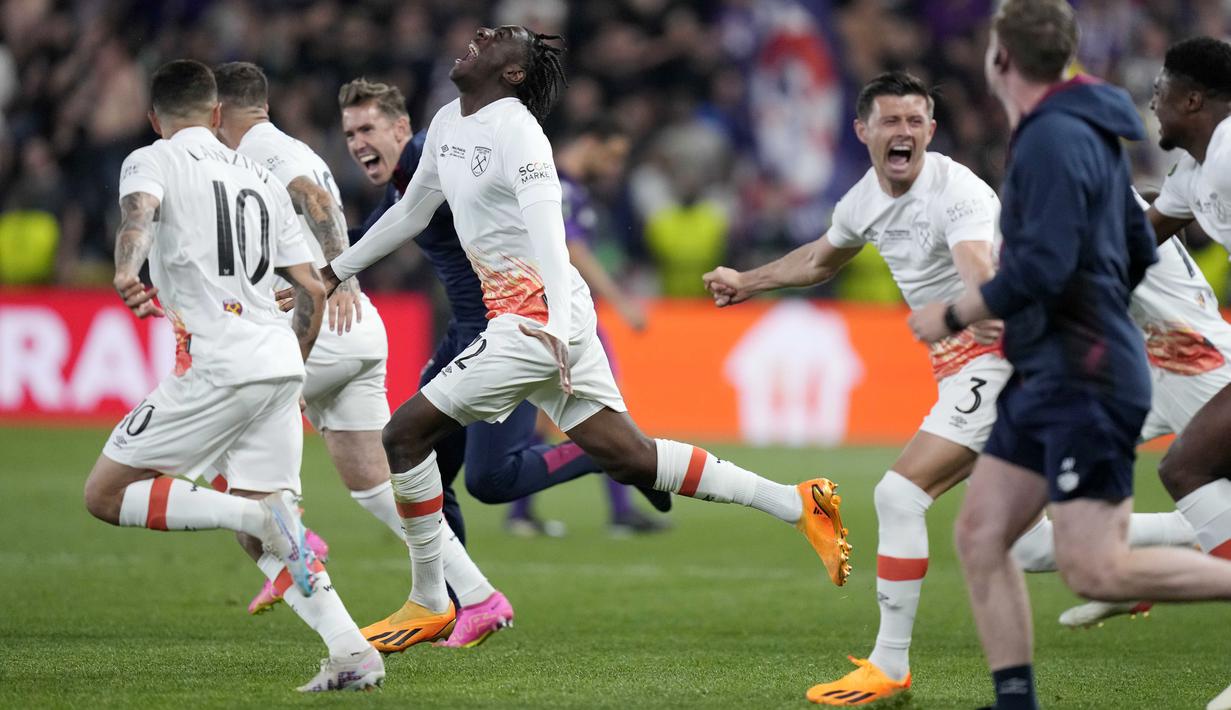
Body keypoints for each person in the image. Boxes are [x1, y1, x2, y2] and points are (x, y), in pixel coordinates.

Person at [318, 26, 852, 647]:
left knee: (403, 435)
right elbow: (410, 214)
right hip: (528, 319)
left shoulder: (520, 133)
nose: (483, 34)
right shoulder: (446, 122)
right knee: (630, 456)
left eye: (500, 38)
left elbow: (552, 236)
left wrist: (563, 335)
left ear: (512, 73)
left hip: (537, 321)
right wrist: (335, 272)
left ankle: (430, 599)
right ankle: (800, 502)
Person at [908, 5, 1231, 709]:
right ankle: (1014, 700)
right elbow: (1136, 241)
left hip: (1087, 367)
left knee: (1099, 566)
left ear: (999, 62)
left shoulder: (1053, 137)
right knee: (986, 533)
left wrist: (956, 313)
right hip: (1060, 362)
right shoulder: (1085, 130)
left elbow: (1047, 266)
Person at [705, 71, 1009, 706]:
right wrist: (747, 281)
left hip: (1000, 359)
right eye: (891, 121)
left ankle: (889, 665)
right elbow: (819, 260)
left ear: (931, 129)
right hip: (963, 365)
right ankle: (1152, 560)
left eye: (916, 121)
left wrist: (962, 314)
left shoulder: (959, 194)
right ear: (863, 131)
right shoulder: (863, 200)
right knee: (1029, 544)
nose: (905, 132)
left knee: (899, 496)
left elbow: (982, 273)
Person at [81, 59, 382, 692]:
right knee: (270, 520)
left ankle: (254, 518)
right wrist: (289, 369)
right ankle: (352, 652)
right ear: (218, 115)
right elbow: (308, 286)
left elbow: (138, 216)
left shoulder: (151, 159)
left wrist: (124, 270)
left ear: (153, 118)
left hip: (214, 363)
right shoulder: (257, 173)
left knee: (105, 496)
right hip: (277, 360)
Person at [336, 76, 668, 647]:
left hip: (503, 333)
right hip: (460, 337)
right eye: (348, 133)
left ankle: (604, 455)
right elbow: (373, 232)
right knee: (427, 475)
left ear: (399, 128)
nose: (357, 142)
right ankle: (464, 603)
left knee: (492, 479)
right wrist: (316, 267)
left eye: (368, 128)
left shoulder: (429, 153)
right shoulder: (399, 185)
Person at [211, 62, 509, 648]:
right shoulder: (286, 146)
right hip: (355, 332)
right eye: (352, 134)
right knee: (375, 483)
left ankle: (287, 551)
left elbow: (317, 198)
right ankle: (478, 597)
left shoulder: (264, 150)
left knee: (216, 420)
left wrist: (337, 276)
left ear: (218, 113)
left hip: (315, 322)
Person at [503, 118, 669, 536]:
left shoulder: (567, 188)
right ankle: (619, 511)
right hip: (559, 316)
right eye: (612, 157)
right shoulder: (558, 187)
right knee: (606, 404)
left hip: (542, 312)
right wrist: (622, 302)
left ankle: (522, 513)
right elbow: (572, 249)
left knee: (545, 417)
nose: (615, 169)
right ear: (589, 140)